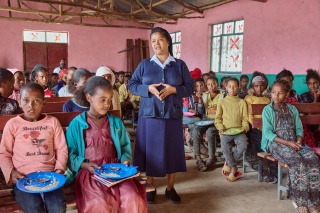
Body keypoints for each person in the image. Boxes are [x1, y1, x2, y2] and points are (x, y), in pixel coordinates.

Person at [129, 27, 194, 204]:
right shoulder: (144, 64)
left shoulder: (179, 64)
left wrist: (174, 89)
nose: (156, 43)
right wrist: (147, 89)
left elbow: (190, 87)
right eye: (153, 41)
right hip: (149, 115)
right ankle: (150, 187)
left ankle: (170, 188)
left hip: (172, 114)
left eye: (160, 39)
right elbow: (132, 85)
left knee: (172, 150)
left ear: (168, 42)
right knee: (151, 152)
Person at [66, 76, 147, 213]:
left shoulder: (115, 122)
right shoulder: (76, 124)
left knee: (131, 196)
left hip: (116, 170)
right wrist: (84, 164)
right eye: (102, 100)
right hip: (90, 172)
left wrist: (125, 160)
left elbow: (124, 147)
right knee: (99, 203)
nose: (107, 104)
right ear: (89, 98)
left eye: (109, 100)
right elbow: (70, 154)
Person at [0, 82, 68, 213]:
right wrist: (11, 172)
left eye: (36, 100)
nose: (31, 105)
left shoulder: (52, 122)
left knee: (58, 208)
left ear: (44, 103)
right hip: (23, 179)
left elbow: (61, 148)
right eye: (26, 100)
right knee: (34, 208)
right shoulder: (13, 124)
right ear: (19, 102)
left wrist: (60, 168)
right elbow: (4, 153)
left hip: (50, 177)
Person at [261, 79, 320, 213]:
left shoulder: (292, 109)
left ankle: (312, 201)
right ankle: (299, 201)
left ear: (286, 94)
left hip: (294, 143)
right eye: (273, 92)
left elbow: (299, 128)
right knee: (298, 161)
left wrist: (299, 141)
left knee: (313, 159)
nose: (276, 95)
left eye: (280, 93)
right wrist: (288, 143)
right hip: (277, 144)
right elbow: (268, 133)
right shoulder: (267, 110)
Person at [215, 77, 249, 182]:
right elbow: (218, 118)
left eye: (235, 86)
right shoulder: (222, 102)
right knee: (225, 148)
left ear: (238, 88)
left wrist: (245, 127)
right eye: (230, 86)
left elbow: (245, 118)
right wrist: (220, 128)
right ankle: (233, 168)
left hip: (239, 131)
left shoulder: (242, 102)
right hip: (225, 131)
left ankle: (229, 162)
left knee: (243, 144)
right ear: (226, 87)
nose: (232, 88)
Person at [244, 72, 276, 182]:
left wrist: (266, 127)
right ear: (252, 86)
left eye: (262, 85)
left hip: (266, 128)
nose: (259, 88)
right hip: (254, 128)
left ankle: (271, 167)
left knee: (273, 141)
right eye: (256, 86)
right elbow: (248, 116)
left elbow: (270, 116)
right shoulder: (249, 98)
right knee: (259, 143)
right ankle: (264, 171)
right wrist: (258, 126)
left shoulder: (267, 100)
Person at [276, 69, 317, 148]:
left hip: (300, 125)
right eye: (285, 82)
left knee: (305, 134)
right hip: (284, 127)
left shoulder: (296, 96)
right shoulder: (276, 97)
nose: (289, 84)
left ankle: (309, 153)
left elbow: (303, 112)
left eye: (290, 82)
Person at [192, 76, 223, 171]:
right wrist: (200, 100)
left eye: (213, 84)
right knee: (195, 131)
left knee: (210, 132)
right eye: (209, 84)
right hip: (206, 119)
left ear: (217, 84)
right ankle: (198, 159)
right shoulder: (205, 95)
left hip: (217, 120)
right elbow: (201, 112)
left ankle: (211, 157)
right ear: (206, 86)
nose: (211, 86)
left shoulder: (222, 95)